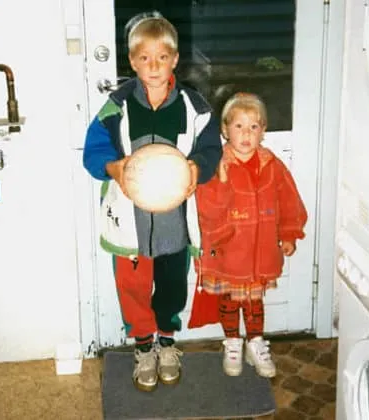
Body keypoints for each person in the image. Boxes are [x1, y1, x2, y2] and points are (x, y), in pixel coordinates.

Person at [82, 12, 222, 392]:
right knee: (133, 285)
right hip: (130, 219)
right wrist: (112, 166)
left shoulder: (195, 107)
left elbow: (211, 149)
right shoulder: (116, 106)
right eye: (145, 58)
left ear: (175, 59)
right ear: (132, 61)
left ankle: (166, 341)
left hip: (175, 219)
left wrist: (198, 168)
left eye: (163, 57)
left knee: (173, 283)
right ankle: (143, 346)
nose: (154, 66)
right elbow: (93, 153)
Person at [189, 92, 307, 377]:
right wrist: (223, 182)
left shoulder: (272, 164)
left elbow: (289, 200)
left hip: (261, 251)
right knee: (230, 300)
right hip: (229, 250)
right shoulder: (217, 164)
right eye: (239, 126)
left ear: (263, 131)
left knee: (255, 302)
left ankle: (255, 342)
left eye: (254, 127)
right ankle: (232, 342)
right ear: (225, 129)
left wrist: (289, 233)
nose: (246, 134)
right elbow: (206, 210)